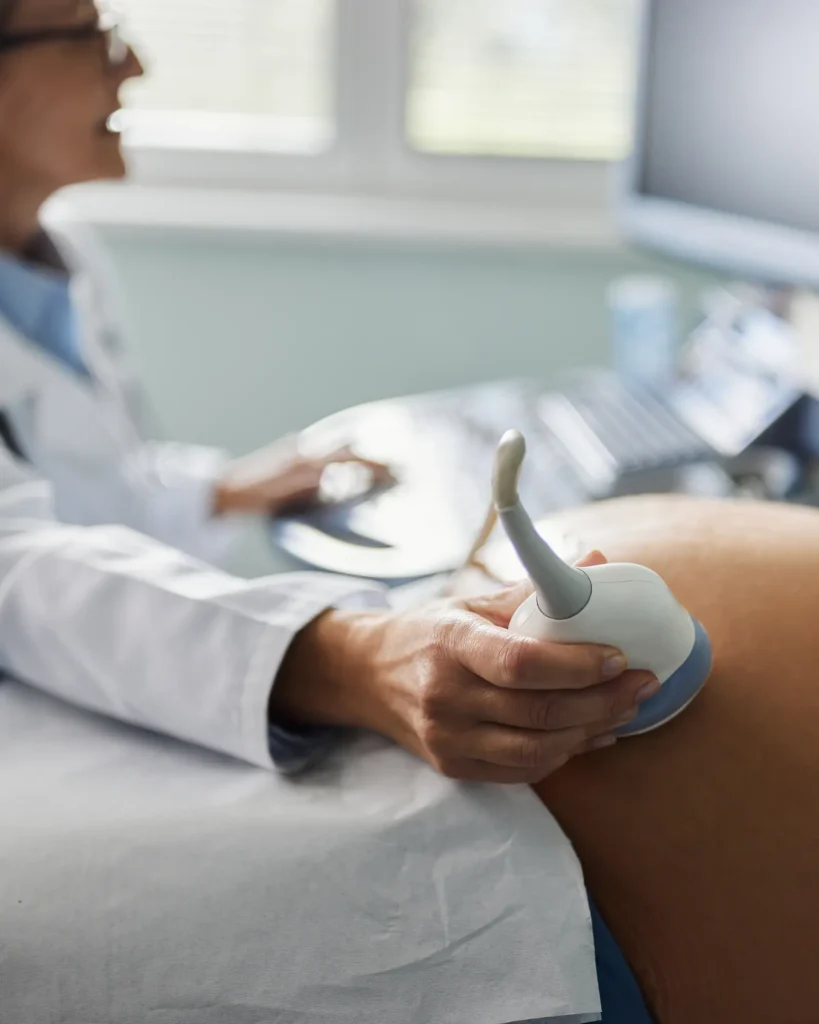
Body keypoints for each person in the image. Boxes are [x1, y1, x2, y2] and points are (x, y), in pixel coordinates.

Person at [0, 2, 661, 1019]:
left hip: (129, 667)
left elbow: (75, 492)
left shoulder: (56, 258)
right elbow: (20, 562)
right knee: (486, 855)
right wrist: (344, 657)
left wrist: (226, 488)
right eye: (91, 33)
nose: (132, 64)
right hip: (49, 756)